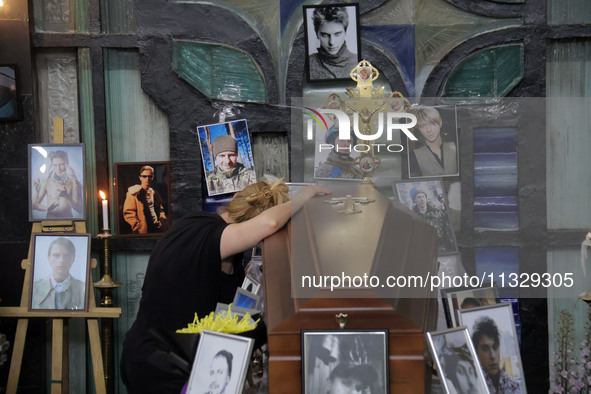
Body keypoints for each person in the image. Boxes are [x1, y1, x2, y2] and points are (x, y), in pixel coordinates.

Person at [120, 180, 331, 394]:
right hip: (159, 367)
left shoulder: (200, 223)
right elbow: (270, 224)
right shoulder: (212, 235)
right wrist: (303, 197)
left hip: (148, 354)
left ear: (236, 198)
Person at [31, 237, 86, 310]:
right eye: (56, 256)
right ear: (49, 258)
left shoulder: (83, 289)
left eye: (66, 256)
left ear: (73, 259)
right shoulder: (34, 289)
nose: (61, 260)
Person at [471, 317, 522, 393]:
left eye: (495, 347)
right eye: (485, 349)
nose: (492, 356)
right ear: (476, 352)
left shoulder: (517, 387)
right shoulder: (474, 390)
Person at [308, 6, 358, 80]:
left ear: (345, 33)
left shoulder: (358, 62)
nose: (331, 42)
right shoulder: (308, 63)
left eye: (337, 34)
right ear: (317, 34)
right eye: (324, 35)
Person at [32, 150, 83, 219]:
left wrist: (67, 193)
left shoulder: (74, 182)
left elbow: (78, 208)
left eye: (61, 164)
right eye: (55, 165)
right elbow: (34, 205)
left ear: (66, 164)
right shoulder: (47, 182)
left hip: (68, 220)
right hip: (50, 221)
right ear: (51, 165)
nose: (58, 168)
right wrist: (47, 208)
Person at [408, 107, 458, 177]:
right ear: (419, 129)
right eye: (423, 126)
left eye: (432, 124)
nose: (428, 130)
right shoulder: (414, 155)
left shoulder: (455, 147)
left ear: (440, 123)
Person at [410, 186, 456, 254]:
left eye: (423, 196)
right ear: (414, 200)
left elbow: (448, 232)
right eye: (419, 197)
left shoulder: (438, 213)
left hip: (442, 250)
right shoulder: (411, 217)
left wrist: (450, 250)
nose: (422, 199)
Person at [123, 165, 168, 234]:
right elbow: (128, 213)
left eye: (149, 176)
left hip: (156, 228)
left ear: (152, 178)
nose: (147, 178)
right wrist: (138, 227)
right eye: (144, 176)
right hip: (143, 229)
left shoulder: (154, 193)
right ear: (140, 178)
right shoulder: (133, 193)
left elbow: (160, 209)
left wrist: (162, 221)